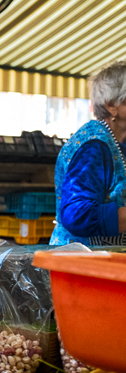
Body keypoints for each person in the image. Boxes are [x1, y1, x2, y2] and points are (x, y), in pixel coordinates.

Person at [51, 60, 126, 246]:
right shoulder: (93, 146)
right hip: (78, 262)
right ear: (111, 105)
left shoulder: (119, 142)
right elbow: (76, 214)